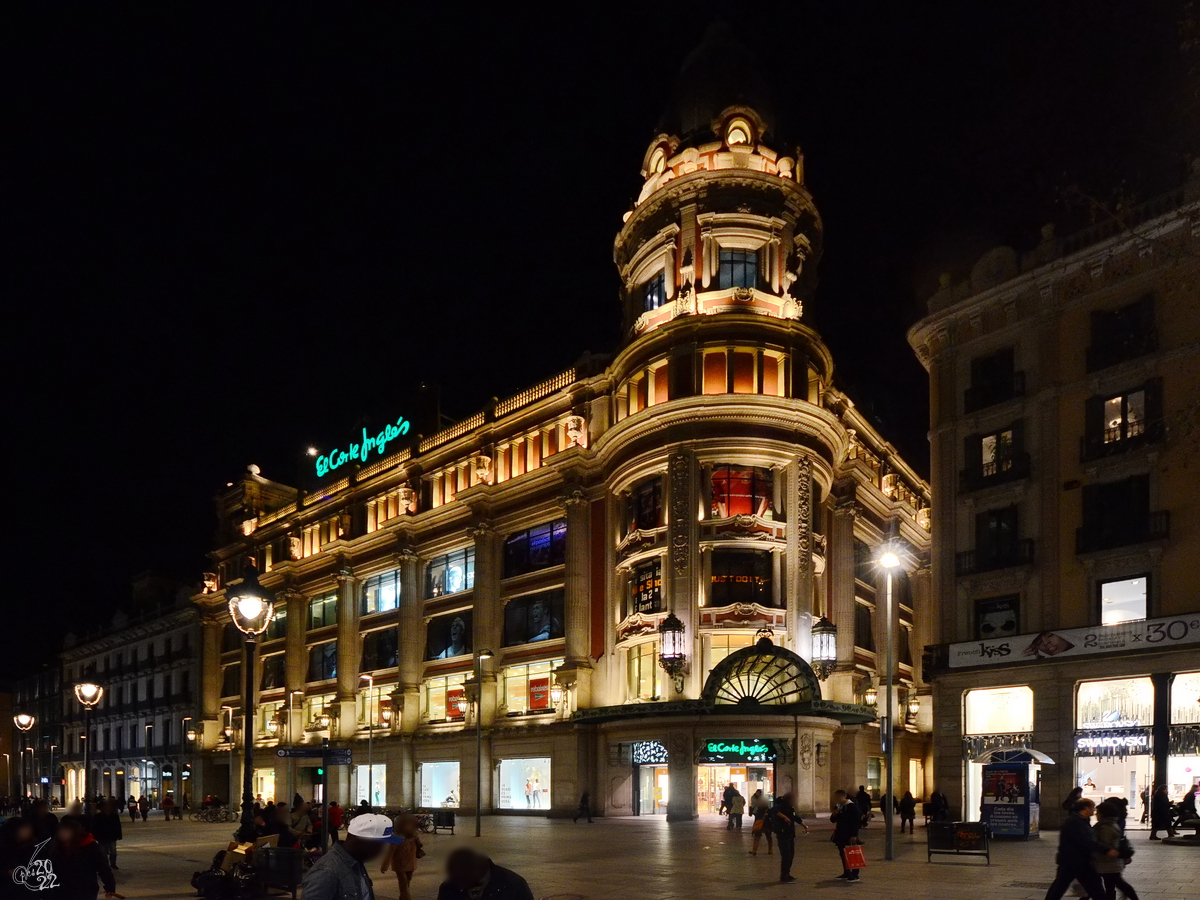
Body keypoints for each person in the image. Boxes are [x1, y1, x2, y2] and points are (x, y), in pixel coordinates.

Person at [301, 812, 401, 900]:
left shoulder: (356, 862)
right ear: (361, 841)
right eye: (379, 845)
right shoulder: (327, 872)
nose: (382, 850)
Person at [1041, 799, 1112, 900]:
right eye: (1092, 807)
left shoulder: (1080, 820)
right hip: (1074, 861)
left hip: (1077, 861)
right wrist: (1105, 850)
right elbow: (1085, 841)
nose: (1094, 810)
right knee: (1060, 887)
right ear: (1086, 808)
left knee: (1061, 887)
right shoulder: (1075, 822)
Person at [46, 816, 117, 900]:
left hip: (85, 889)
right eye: (61, 831)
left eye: (66, 831)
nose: (63, 834)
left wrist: (110, 886)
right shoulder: (55, 847)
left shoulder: (89, 846)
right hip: (60, 890)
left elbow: (103, 867)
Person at [436, 847, 534, 900]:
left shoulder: (512, 884)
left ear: (476, 870)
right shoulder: (449, 887)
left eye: (463, 878)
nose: (459, 884)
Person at [1094, 798, 1139, 900]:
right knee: (1113, 884)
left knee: (1116, 884)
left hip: (1107, 862)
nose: (1095, 814)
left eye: (1097, 812)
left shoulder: (1106, 827)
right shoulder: (1112, 823)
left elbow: (1105, 844)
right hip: (1110, 862)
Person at [381, 813, 424, 900]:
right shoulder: (397, 836)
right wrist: (385, 865)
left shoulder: (413, 835)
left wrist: (418, 843)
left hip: (411, 862)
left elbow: (419, 845)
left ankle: (403, 896)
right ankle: (406, 898)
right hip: (400, 863)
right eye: (406, 824)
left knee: (407, 881)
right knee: (403, 882)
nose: (408, 826)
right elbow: (390, 851)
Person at [831, 789, 863, 884]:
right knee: (843, 854)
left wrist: (854, 835)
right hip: (840, 833)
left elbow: (856, 822)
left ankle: (854, 874)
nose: (836, 799)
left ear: (843, 796)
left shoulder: (852, 807)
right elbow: (833, 820)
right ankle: (846, 872)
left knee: (852, 854)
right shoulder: (838, 806)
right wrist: (835, 814)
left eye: (837, 797)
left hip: (849, 834)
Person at [771, 791, 804, 884]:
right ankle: (784, 876)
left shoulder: (790, 808)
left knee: (790, 855)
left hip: (790, 834)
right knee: (786, 856)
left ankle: (787, 874)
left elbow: (795, 818)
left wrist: (804, 825)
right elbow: (773, 810)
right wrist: (784, 817)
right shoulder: (781, 805)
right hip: (783, 834)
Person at [91, 799, 123, 870]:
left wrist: (119, 835)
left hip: (112, 836)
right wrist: (95, 836)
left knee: (113, 851)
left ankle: (113, 863)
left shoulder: (114, 816)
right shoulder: (98, 817)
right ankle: (105, 864)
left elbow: (118, 826)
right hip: (102, 837)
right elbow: (94, 827)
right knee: (103, 852)